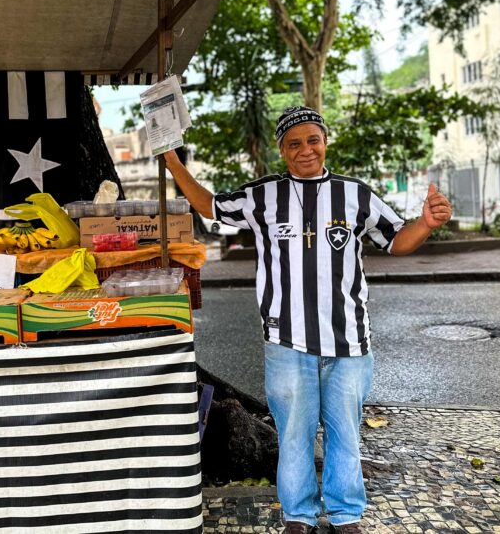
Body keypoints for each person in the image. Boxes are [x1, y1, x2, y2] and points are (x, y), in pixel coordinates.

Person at [163, 106, 453, 534]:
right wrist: (172, 161)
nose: (305, 150)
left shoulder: (355, 194)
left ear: (325, 142)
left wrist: (426, 224)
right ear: (282, 150)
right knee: (294, 437)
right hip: (286, 341)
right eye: (294, 143)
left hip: (349, 342)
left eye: (312, 140)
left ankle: (346, 514)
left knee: (345, 436)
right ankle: (297, 515)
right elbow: (210, 206)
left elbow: (396, 240)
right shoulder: (263, 195)